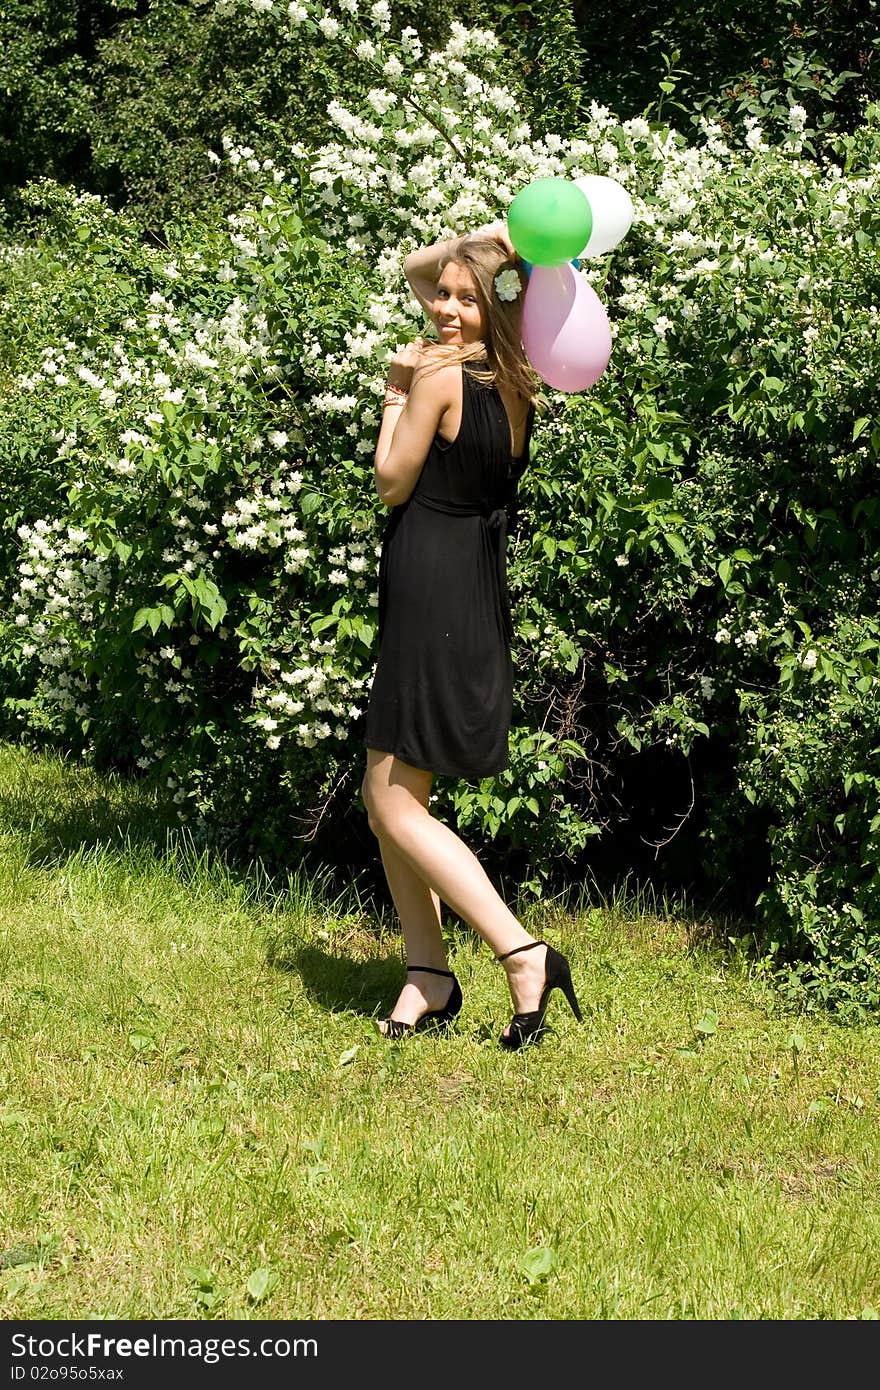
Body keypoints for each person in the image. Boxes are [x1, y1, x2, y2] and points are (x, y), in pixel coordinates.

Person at [360, 222, 582, 1049]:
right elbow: (414, 269)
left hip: (430, 583)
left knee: (391, 801)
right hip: (469, 583)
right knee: (392, 799)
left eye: (463, 298)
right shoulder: (516, 376)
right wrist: (484, 243)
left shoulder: (440, 376)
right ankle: (428, 973)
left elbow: (391, 482)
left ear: (494, 307)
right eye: (441, 297)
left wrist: (393, 390)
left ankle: (522, 952)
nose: (443, 309)